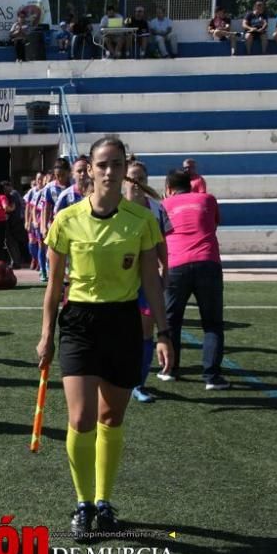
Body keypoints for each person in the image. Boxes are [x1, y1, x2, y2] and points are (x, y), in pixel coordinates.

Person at [36, 136, 171, 538]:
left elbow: (151, 281)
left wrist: (164, 333)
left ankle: (104, 501)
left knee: (112, 417)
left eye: (116, 164)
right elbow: (54, 284)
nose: (109, 172)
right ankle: (82, 502)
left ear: (124, 169)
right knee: (81, 417)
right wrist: (46, 335)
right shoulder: (67, 220)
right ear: (89, 170)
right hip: (78, 322)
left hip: (123, 322)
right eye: (102, 165)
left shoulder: (142, 220)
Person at [161, 169, 229, 390]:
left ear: (168, 188)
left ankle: (170, 369)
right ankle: (212, 376)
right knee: (212, 323)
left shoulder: (165, 205)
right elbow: (213, 224)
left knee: (172, 321)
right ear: (191, 184)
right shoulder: (208, 199)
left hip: (176, 264)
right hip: (207, 261)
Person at [124, 161, 171, 403]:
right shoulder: (115, 207)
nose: (137, 183)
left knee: (145, 331)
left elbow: (162, 242)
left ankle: (138, 383)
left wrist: (165, 268)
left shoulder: (156, 209)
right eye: (132, 178)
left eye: (141, 178)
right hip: (119, 281)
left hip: (146, 281)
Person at [39, 160, 74, 283]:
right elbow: (45, 208)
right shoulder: (50, 188)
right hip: (56, 226)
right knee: (55, 256)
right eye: (57, 175)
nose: (59, 178)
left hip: (74, 227)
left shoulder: (74, 186)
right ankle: (54, 281)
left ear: (69, 173)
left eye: (62, 175)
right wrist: (43, 226)